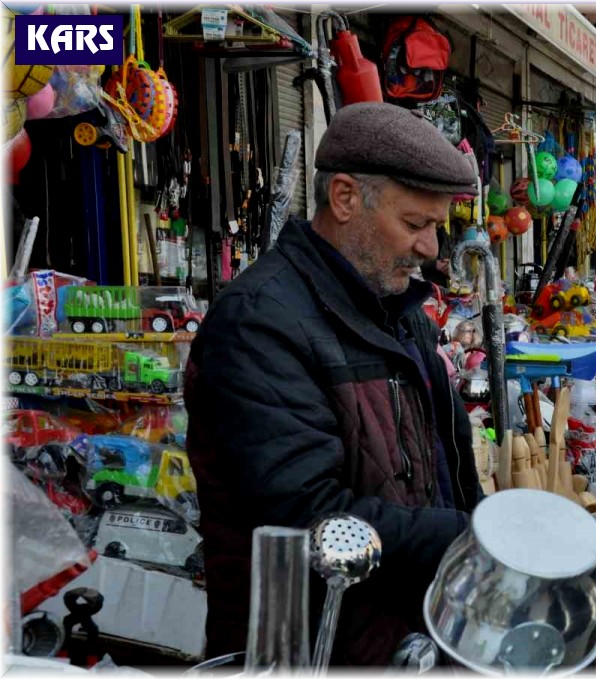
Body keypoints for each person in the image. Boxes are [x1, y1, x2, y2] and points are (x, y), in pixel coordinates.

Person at [184, 103, 486, 666]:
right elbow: (308, 517)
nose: (430, 249)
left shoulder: (402, 313)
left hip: (406, 639)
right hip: (306, 649)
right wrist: (470, 539)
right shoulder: (260, 322)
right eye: (415, 224)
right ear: (345, 198)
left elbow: (449, 468)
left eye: (437, 227)